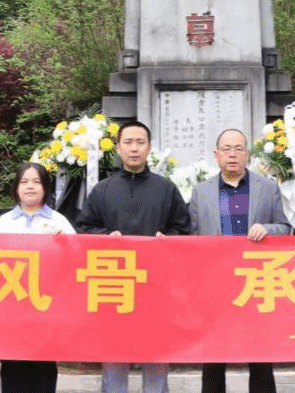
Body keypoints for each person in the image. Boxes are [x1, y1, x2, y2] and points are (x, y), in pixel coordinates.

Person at [75, 120, 192, 393]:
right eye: (128, 142)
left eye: (140, 142)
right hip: (114, 288)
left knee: (156, 358)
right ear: (118, 148)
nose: (134, 148)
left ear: (149, 148)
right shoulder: (103, 190)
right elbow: (84, 229)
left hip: (157, 288)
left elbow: (184, 230)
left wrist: (167, 239)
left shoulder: (166, 188)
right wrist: (107, 237)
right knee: (114, 358)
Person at [191, 128, 293, 393]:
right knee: (213, 357)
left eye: (238, 149)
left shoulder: (267, 188)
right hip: (216, 284)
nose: (232, 154)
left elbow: (286, 228)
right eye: (226, 149)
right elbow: (191, 238)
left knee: (260, 357)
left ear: (247, 154)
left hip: (256, 283)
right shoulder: (201, 192)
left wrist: (267, 229)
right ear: (216, 155)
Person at [0, 161, 76, 393]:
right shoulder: (4, 222)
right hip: (12, 314)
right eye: (24, 181)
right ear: (16, 187)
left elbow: (76, 262)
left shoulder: (59, 222)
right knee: (12, 374)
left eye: (36, 182)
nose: (30, 187)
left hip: (47, 314)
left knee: (44, 374)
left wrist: (66, 242)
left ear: (45, 187)